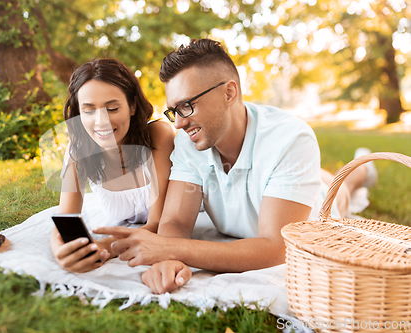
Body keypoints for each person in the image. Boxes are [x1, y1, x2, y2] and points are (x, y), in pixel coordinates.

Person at [95, 39, 376, 294]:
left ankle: (360, 169)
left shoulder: (291, 138)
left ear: (229, 92)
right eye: (173, 111)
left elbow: (277, 247)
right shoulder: (189, 142)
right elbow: (177, 221)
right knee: (320, 177)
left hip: (314, 206)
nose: (178, 123)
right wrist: (169, 260)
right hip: (287, 180)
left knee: (342, 190)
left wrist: (170, 248)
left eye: (186, 106)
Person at [50, 58, 175, 273]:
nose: (101, 122)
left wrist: (104, 246)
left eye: (112, 108)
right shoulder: (77, 150)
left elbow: (156, 225)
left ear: (133, 106)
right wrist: (62, 251)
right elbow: (65, 220)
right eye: (89, 111)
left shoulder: (158, 136)